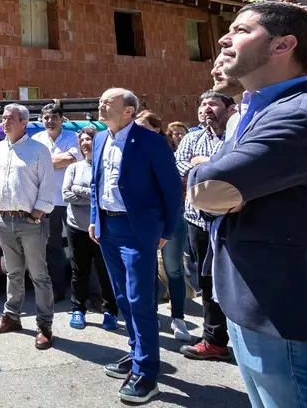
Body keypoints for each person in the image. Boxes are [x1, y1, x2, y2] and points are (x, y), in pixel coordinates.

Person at [188, 1, 307, 407]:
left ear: (282, 45)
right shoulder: (263, 110)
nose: (223, 38)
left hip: (288, 317)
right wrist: (222, 187)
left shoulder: (301, 115)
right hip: (257, 308)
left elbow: (210, 186)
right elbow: (218, 191)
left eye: (240, 30)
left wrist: (208, 175)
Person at [90, 88, 181, 404]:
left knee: (140, 299)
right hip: (108, 228)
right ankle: (136, 351)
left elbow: (171, 190)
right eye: (101, 100)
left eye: (108, 101)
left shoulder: (151, 142)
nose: (101, 104)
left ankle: (147, 374)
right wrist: (94, 219)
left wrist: (168, 229)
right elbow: (96, 183)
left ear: (128, 110)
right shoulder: (101, 138)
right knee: (121, 297)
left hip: (138, 230)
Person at [0, 103, 57, 349]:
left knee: (39, 275)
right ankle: (11, 317)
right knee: (13, 272)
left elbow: (48, 187)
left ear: (24, 122)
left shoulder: (38, 150)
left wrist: (36, 215)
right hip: (4, 220)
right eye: (3, 118)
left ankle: (44, 325)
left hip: (30, 221)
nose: (5, 122)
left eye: (10, 119)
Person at [174, 90, 233, 361]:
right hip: (197, 221)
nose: (206, 108)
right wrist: (214, 167)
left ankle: (245, 338)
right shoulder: (191, 138)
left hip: (233, 221)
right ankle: (214, 339)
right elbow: (180, 169)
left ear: (230, 108)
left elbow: (238, 169)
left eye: (213, 103)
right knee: (206, 280)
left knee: (237, 280)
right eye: (203, 103)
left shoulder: (238, 135)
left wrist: (202, 165)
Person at [136, 110, 191, 343]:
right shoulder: (132, 152)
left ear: (156, 129)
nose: (137, 131)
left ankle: (178, 317)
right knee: (146, 271)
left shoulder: (163, 151)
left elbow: (174, 191)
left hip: (169, 219)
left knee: (174, 270)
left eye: (143, 126)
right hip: (144, 221)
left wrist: (168, 226)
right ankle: (152, 316)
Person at [63, 125, 119, 331]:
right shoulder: (74, 168)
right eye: (83, 140)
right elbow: (66, 195)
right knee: (79, 271)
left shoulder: (105, 167)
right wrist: (91, 194)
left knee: (106, 272)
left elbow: (105, 196)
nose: (86, 143)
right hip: (76, 227)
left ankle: (110, 311)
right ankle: (78, 309)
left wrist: (80, 191)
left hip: (102, 228)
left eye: (90, 139)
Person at [32, 101, 81, 302]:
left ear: (62, 119)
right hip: (47, 202)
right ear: (41, 120)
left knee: (78, 246)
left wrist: (47, 161)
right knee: (53, 248)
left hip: (71, 201)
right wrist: (60, 159)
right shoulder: (36, 139)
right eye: (46, 118)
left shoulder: (73, 137)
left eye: (54, 117)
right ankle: (58, 289)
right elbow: (33, 165)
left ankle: (85, 292)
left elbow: (71, 160)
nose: (50, 121)